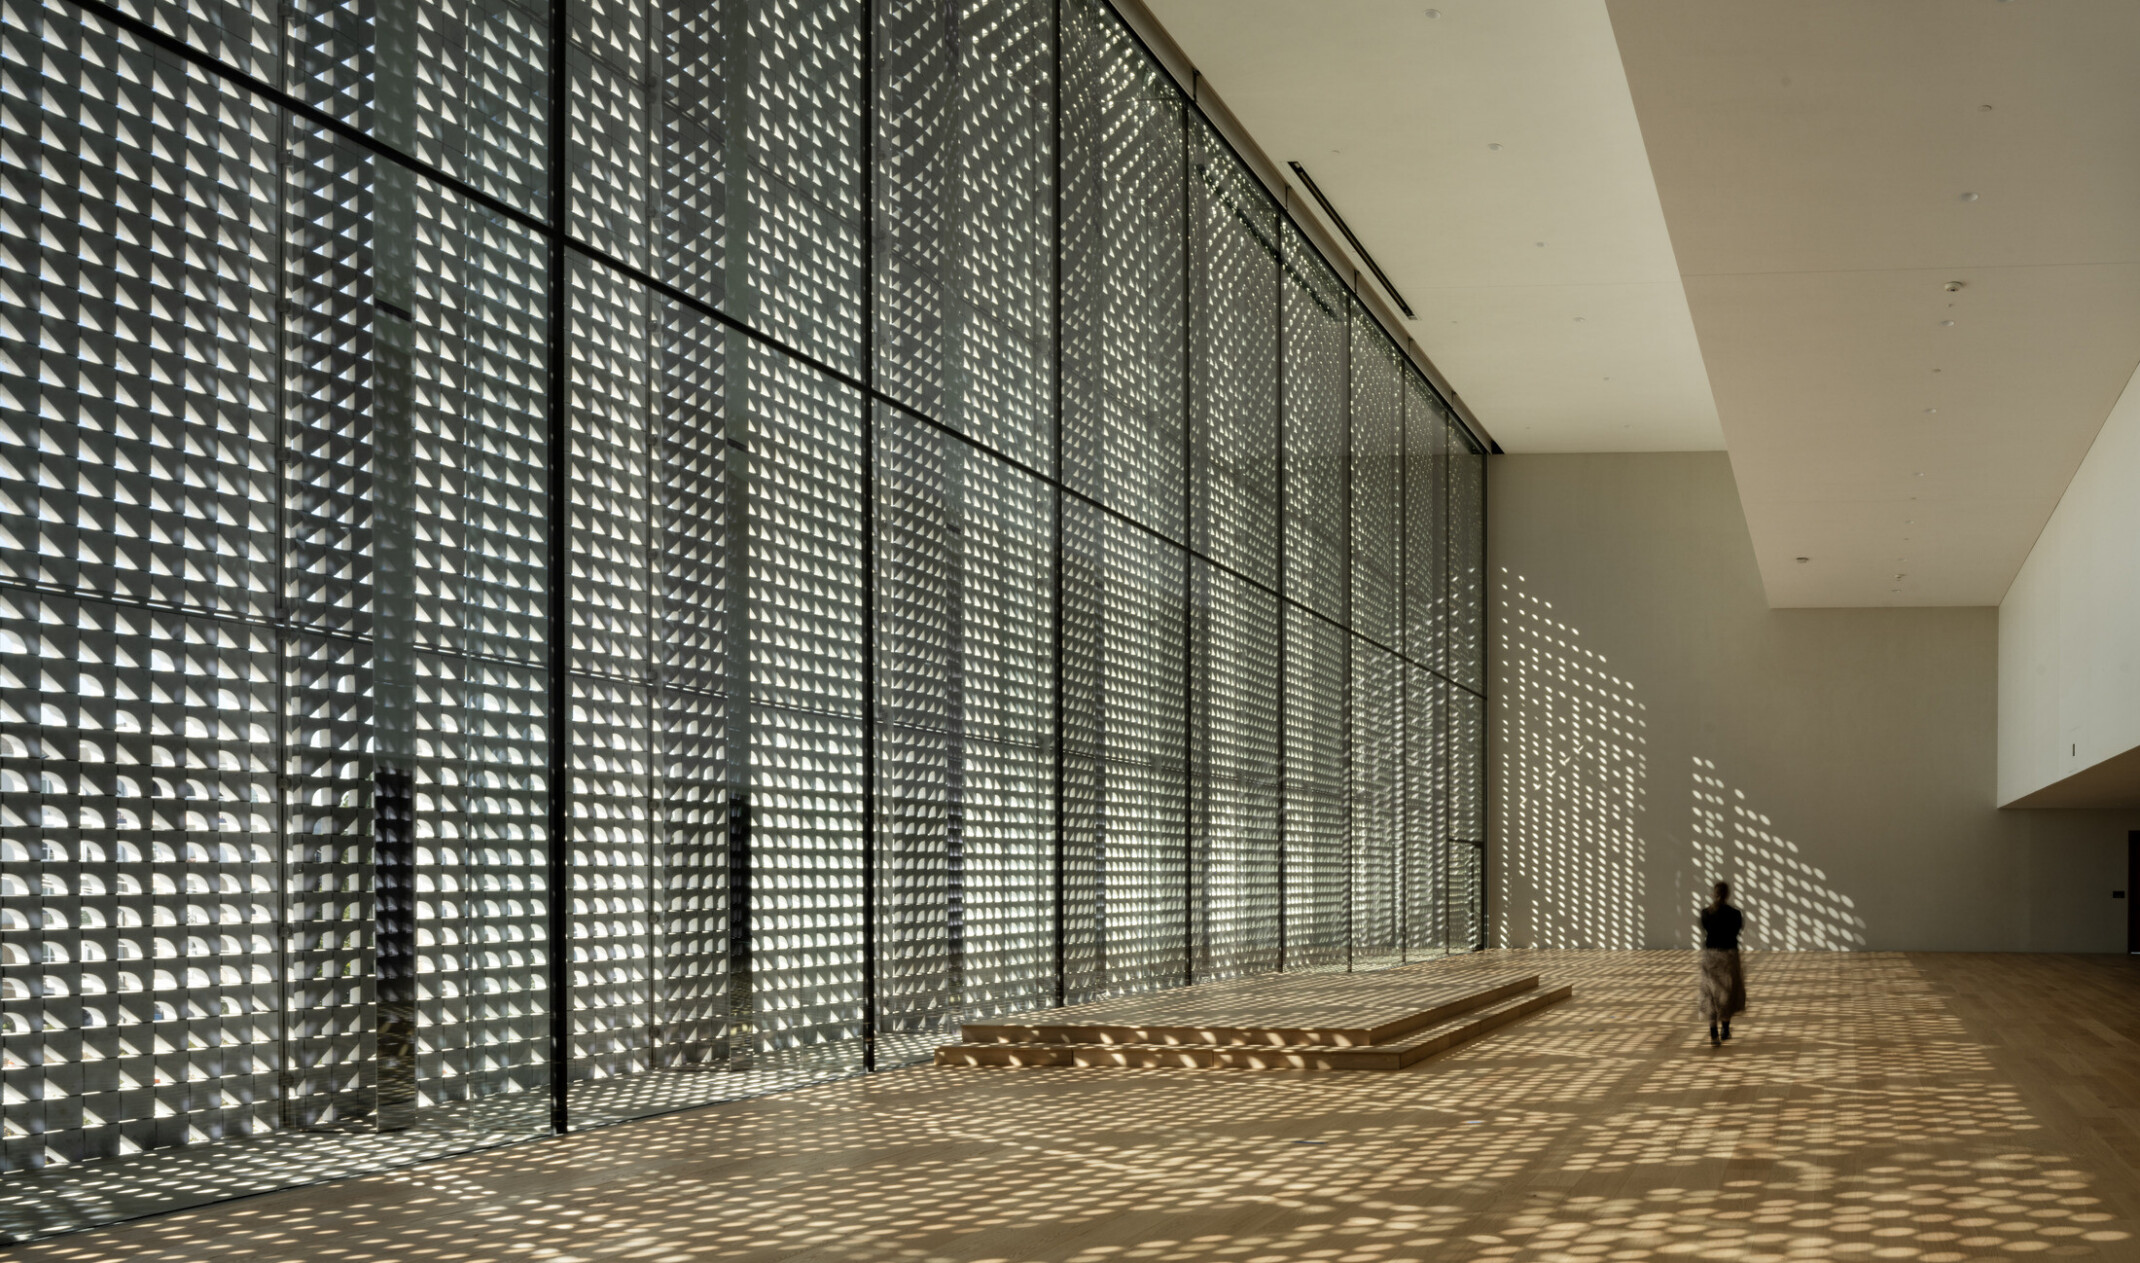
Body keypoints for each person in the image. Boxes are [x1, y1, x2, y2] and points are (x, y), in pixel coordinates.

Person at [1699, 881, 1746, 1046]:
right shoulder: (1735, 914)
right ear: (1727, 895)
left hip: (1711, 956)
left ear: (1713, 893)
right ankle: (1725, 1029)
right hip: (1729, 956)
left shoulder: (1705, 913)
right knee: (1727, 993)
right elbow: (1737, 931)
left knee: (1710, 994)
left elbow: (1706, 930)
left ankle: (1713, 1033)